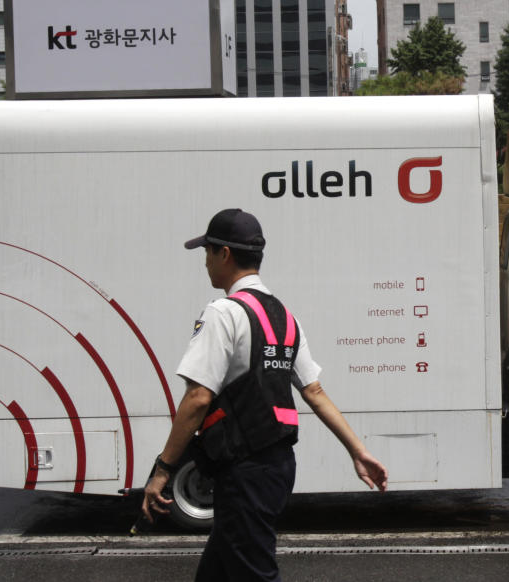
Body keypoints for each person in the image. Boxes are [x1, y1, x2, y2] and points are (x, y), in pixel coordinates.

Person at [142, 208, 388, 581]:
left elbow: (197, 398)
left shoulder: (223, 313)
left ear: (224, 254)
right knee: (217, 572)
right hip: (276, 465)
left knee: (253, 571)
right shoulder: (284, 316)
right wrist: (358, 451)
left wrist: (162, 471)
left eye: (207, 251)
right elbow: (314, 391)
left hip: (244, 468)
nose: (205, 262)